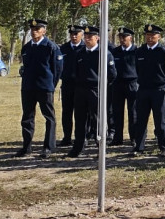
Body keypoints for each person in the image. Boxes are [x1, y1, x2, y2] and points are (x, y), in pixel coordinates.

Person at [17, 18, 64, 159]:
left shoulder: (51, 47)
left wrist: (51, 85)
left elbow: (57, 70)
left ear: (44, 31)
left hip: (44, 88)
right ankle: (26, 147)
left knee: (49, 117)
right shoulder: (26, 47)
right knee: (27, 118)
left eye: (37, 29)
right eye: (32, 29)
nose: (34, 32)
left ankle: (48, 147)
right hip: (28, 88)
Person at [68, 25, 116, 158]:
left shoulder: (104, 53)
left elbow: (112, 74)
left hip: (96, 90)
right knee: (80, 119)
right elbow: (75, 72)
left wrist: (101, 86)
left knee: (98, 120)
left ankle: (100, 148)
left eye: (90, 37)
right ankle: (78, 147)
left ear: (97, 38)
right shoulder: (80, 53)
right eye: (86, 37)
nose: (87, 39)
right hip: (81, 90)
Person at [132, 24, 165, 157]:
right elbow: (137, 69)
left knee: (160, 120)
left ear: (159, 36)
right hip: (143, 89)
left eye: (153, 35)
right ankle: (138, 147)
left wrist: (164, 84)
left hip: (159, 90)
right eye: (148, 35)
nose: (150, 37)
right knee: (140, 120)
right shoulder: (140, 51)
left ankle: (164, 147)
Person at [110, 27, 138, 146]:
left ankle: (134, 138)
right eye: (120, 37)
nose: (122, 39)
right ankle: (117, 138)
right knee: (117, 112)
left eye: (124, 37)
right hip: (117, 85)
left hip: (132, 84)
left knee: (133, 112)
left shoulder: (137, 51)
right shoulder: (115, 52)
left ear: (130, 38)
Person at [58, 25, 85, 147]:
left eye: (76, 34)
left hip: (82, 86)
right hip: (67, 85)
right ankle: (67, 137)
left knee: (82, 113)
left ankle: (83, 137)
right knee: (66, 112)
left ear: (81, 35)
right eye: (72, 34)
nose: (74, 36)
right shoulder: (63, 48)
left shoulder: (86, 48)